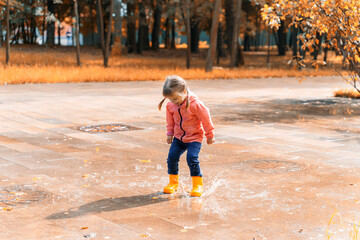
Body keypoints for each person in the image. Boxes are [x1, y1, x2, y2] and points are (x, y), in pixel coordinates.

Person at [158, 75, 215, 197]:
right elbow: (170, 121)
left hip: (194, 138)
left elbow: (206, 119)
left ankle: (197, 185)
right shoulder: (170, 105)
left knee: (192, 158)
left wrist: (209, 134)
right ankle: (173, 183)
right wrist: (170, 133)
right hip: (179, 138)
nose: (174, 101)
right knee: (172, 157)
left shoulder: (195, 104)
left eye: (175, 98)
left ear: (183, 91)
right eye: (171, 99)